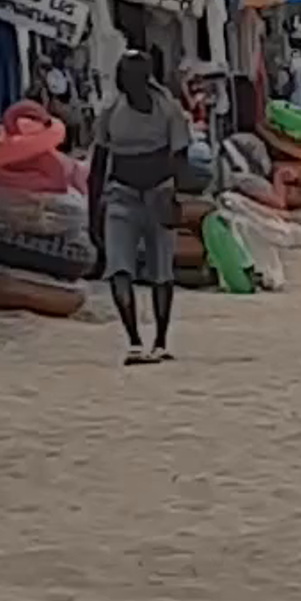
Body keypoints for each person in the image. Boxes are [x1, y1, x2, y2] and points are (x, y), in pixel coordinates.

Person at [97, 31, 198, 362]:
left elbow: (179, 156)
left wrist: (176, 196)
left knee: (161, 272)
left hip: (159, 194)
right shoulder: (111, 111)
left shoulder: (168, 110)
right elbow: (99, 162)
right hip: (120, 197)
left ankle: (161, 340)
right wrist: (93, 208)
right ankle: (134, 340)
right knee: (119, 269)